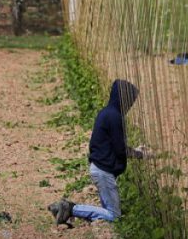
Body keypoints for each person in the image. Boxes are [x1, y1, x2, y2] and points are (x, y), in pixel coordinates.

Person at [48, 79, 145, 225]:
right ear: (122, 98)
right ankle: (71, 209)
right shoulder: (115, 117)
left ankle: (71, 209)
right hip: (104, 172)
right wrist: (140, 154)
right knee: (114, 216)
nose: (131, 105)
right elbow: (120, 149)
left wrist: (134, 151)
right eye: (130, 101)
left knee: (107, 212)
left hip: (99, 168)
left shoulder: (106, 113)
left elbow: (112, 146)